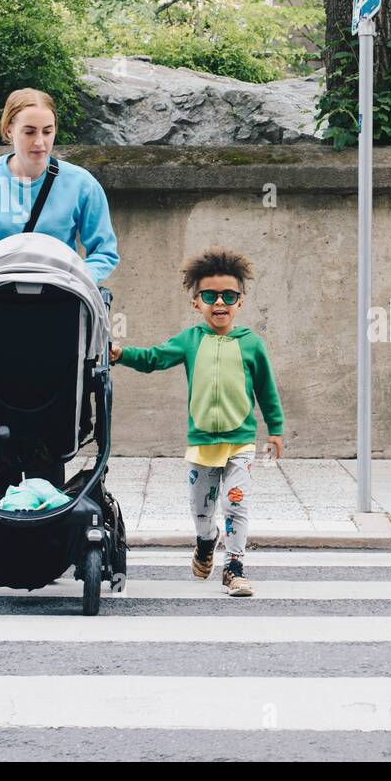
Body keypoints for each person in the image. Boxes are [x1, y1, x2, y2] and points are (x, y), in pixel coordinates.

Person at [0, 88, 120, 498]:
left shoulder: (80, 185)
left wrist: (75, 277)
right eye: (29, 131)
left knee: (55, 407)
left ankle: (49, 496)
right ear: (8, 130)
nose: (39, 143)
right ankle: (1, 490)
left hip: (58, 312)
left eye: (48, 132)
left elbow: (105, 250)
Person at [110, 248, 284, 597]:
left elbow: (267, 389)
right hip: (202, 443)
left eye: (229, 296)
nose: (219, 302)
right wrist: (121, 354)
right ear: (197, 303)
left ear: (240, 302)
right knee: (202, 511)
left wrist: (276, 429)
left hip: (240, 441)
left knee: (236, 504)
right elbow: (154, 359)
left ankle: (234, 566)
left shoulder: (251, 344)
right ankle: (206, 543)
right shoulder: (190, 341)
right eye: (210, 296)